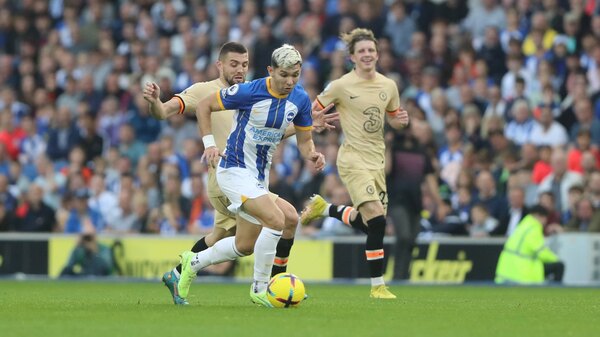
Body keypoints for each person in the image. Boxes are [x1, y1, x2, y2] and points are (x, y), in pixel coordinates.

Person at [143, 42, 336, 305]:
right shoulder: (235, 91)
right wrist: (208, 143)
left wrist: (311, 152)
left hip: (257, 177)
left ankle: (190, 264)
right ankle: (263, 288)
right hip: (230, 170)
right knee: (277, 220)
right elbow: (177, 110)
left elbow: (292, 137)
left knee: (249, 240)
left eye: (244, 64)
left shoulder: (299, 98)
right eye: (234, 64)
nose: (290, 81)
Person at [300, 28, 409, 299]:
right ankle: (377, 286)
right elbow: (312, 109)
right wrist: (316, 122)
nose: (367, 54)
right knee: (377, 220)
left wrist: (400, 121)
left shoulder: (389, 85)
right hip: (352, 159)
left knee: (372, 223)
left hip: (377, 162)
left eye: (371, 50)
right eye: (361, 51)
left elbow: (394, 117)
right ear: (352, 57)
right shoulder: (341, 85)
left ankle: (326, 209)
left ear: (378, 54)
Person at [495, 205, 565, 284]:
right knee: (559, 266)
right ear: (539, 216)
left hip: (505, 271)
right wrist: (556, 259)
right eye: (545, 219)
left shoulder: (523, 224)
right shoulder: (534, 228)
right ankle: (555, 294)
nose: (545, 222)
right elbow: (541, 251)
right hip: (520, 273)